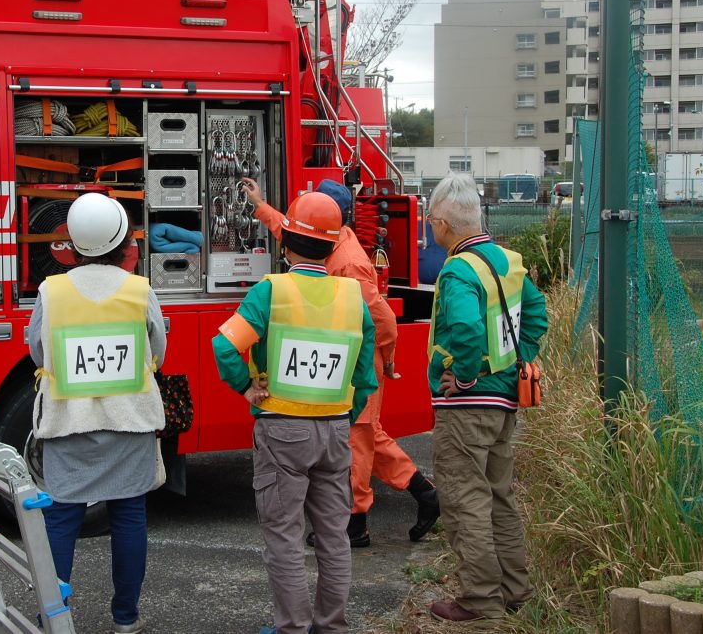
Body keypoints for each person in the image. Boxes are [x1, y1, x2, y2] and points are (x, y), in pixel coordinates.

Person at [241, 177, 440, 548]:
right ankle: (426, 494)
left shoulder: (349, 264)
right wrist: (260, 204)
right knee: (368, 435)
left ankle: (355, 522)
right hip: (349, 355)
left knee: (358, 439)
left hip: (360, 360)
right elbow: (289, 229)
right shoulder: (328, 240)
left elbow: (380, 318)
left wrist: (388, 357)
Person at [213, 192, 378, 634]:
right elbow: (366, 381)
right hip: (335, 431)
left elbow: (225, 345)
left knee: (284, 536)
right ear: (334, 244)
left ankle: (292, 627)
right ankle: (332, 626)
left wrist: (247, 387)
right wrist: (342, 413)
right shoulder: (351, 296)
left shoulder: (272, 291)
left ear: (285, 242)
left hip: (282, 430)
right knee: (334, 535)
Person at [27, 193, 166, 634]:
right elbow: (157, 349)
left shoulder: (52, 291)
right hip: (132, 422)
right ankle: (125, 618)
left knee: (62, 517)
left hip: (69, 423)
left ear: (71, 241)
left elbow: (36, 349)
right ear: (123, 240)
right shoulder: (140, 290)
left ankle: (54, 615)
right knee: (129, 518)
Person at [424, 173, 548, 622]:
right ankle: (515, 591)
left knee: (463, 499)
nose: (429, 228)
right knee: (499, 497)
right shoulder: (507, 260)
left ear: (442, 223)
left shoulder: (458, 269)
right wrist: (519, 361)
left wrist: (466, 376)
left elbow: (466, 329)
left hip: (468, 406)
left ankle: (480, 601)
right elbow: (536, 314)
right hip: (504, 403)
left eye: (430, 221)